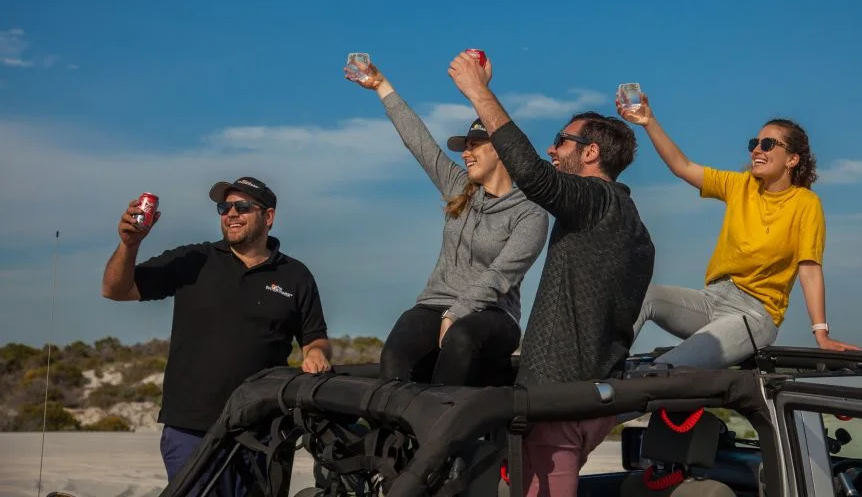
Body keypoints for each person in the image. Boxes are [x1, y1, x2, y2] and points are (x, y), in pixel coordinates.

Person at [446, 51, 655, 497]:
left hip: (558, 403)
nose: (552, 150)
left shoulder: (596, 201)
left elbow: (531, 174)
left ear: (591, 152)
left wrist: (477, 91)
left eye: (562, 140)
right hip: (592, 400)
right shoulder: (634, 225)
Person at [101, 176, 332, 494]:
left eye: (242, 207)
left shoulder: (295, 275)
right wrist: (129, 245)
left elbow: (315, 337)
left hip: (262, 431)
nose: (231, 214)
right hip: (192, 430)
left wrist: (316, 353)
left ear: (268, 217)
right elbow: (116, 289)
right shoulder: (194, 260)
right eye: (224, 208)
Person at [344, 60, 548, 385]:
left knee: (461, 337)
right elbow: (419, 142)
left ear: (500, 151)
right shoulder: (458, 186)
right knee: (398, 349)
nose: (465, 153)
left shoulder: (530, 213)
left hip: (493, 314)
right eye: (464, 147)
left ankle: (440, 415)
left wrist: (457, 312)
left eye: (474, 146)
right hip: (435, 303)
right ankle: (394, 418)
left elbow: (500, 275)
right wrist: (382, 86)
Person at [620, 92, 860, 369]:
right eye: (754, 143)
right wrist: (649, 122)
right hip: (712, 299)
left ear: (792, 159)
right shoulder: (740, 185)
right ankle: (597, 369)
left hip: (752, 315)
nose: (757, 150)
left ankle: (621, 389)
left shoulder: (806, 203)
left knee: (662, 370)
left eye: (767, 144)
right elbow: (682, 167)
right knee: (643, 295)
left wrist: (821, 334)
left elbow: (809, 269)